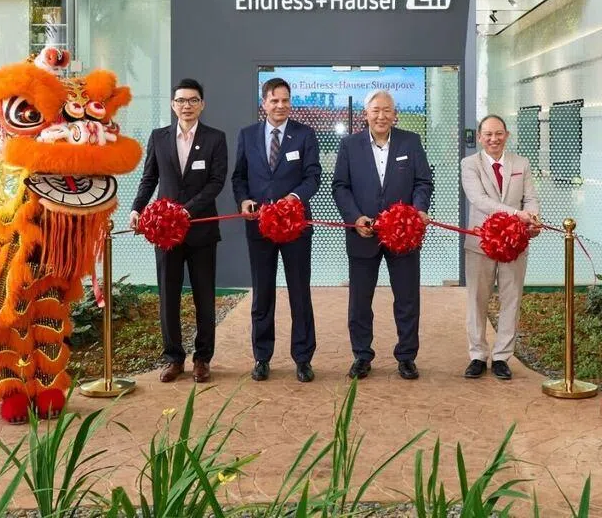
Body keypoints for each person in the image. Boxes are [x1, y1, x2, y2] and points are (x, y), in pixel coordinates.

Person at [130, 78, 228, 383]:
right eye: (181, 100)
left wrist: (187, 210)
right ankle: (174, 358)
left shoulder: (215, 138)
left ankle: (202, 358)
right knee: (168, 296)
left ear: (202, 104)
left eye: (193, 100)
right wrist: (137, 208)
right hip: (165, 233)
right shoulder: (159, 137)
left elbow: (216, 182)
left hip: (201, 231)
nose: (187, 106)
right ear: (173, 105)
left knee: (204, 297)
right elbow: (149, 178)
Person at [331, 90, 433, 380]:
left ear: (394, 114)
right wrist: (354, 218)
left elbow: (423, 182)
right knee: (360, 301)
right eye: (376, 110)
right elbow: (340, 186)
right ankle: (362, 355)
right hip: (363, 234)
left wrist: (418, 210)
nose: (381, 116)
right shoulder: (350, 145)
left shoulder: (410, 141)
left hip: (403, 234)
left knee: (407, 298)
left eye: (387, 110)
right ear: (366, 114)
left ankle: (406, 357)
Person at [231, 78, 321, 382]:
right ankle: (262, 357)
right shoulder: (247, 135)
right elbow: (239, 177)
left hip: (296, 227)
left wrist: (293, 198)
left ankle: (303, 358)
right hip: (259, 227)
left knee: (299, 292)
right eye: (274, 100)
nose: (280, 106)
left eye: (285, 100)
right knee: (263, 293)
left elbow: (313, 176)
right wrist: (243, 200)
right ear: (264, 103)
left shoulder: (305, 134)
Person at [459, 114, 540, 381]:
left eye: (498, 134)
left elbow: (531, 198)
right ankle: (477, 355)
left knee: (511, 299)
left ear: (507, 135)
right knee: (477, 300)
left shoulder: (521, 163)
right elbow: (479, 199)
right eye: (488, 134)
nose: (493, 139)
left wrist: (532, 218)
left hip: (515, 244)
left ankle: (502, 357)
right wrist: (517, 215)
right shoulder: (469, 164)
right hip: (480, 243)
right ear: (480, 137)